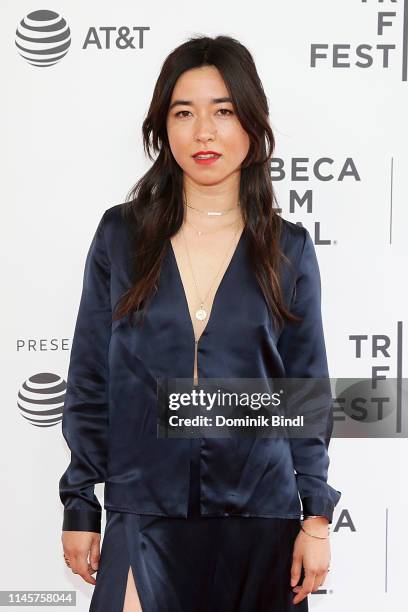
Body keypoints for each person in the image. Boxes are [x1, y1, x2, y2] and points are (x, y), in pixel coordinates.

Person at [59, 35, 341, 611]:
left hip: (261, 517)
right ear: (163, 127)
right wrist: (81, 502)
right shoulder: (121, 236)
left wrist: (315, 517)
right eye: (184, 113)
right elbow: (91, 378)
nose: (204, 132)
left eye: (223, 111)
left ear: (252, 125)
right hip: (145, 512)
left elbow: (305, 391)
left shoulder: (287, 248)